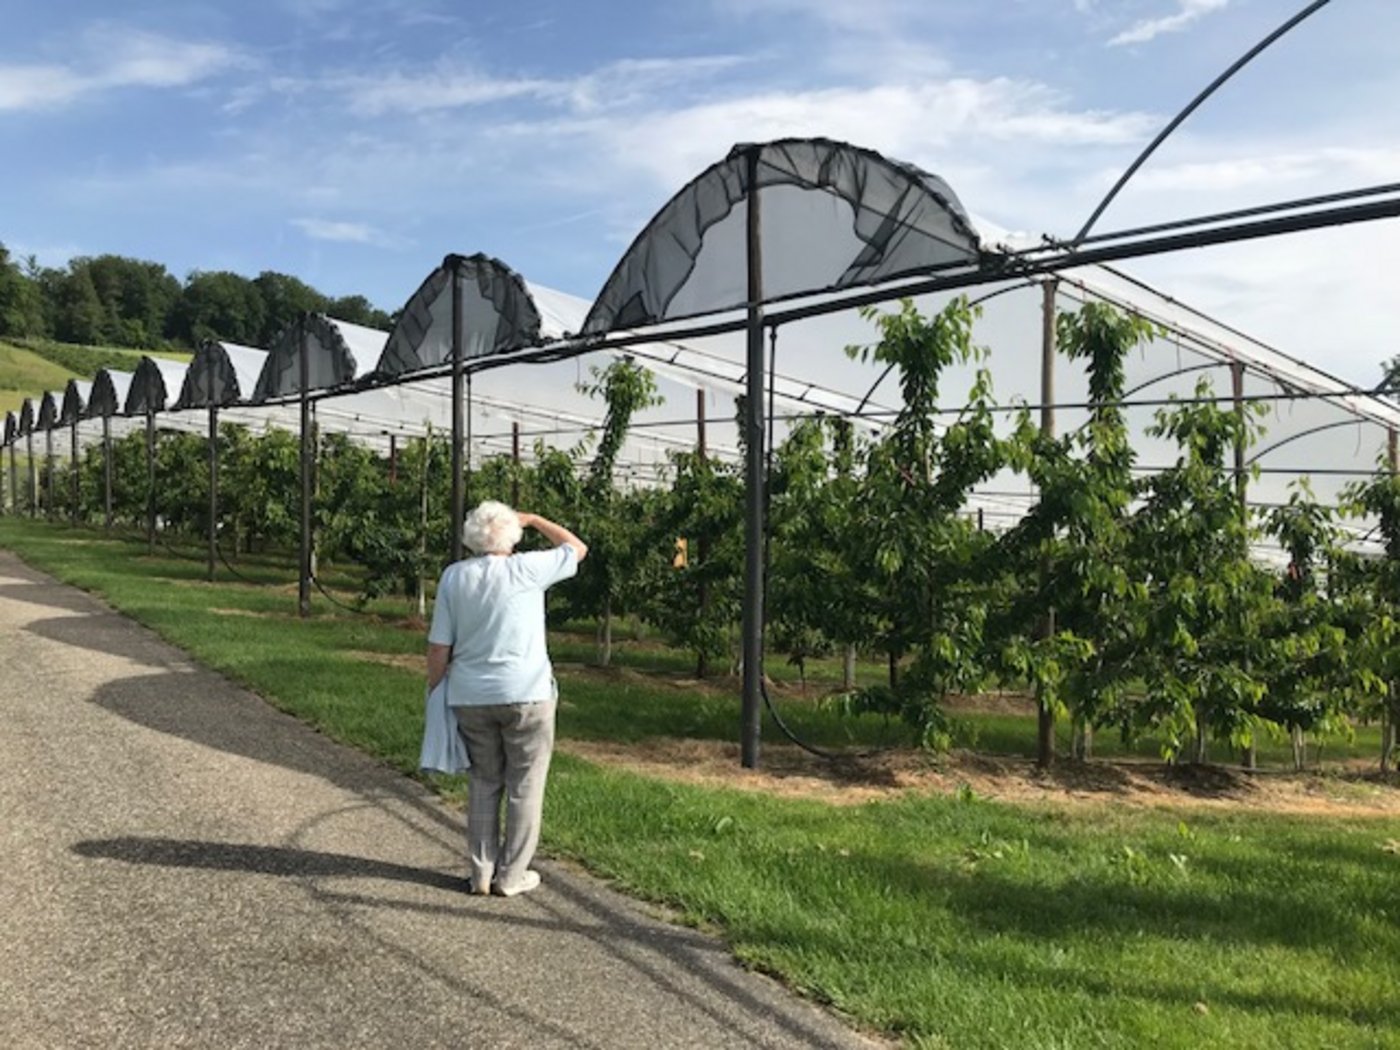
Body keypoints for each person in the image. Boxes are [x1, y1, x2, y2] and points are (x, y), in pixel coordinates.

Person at [426, 501, 587, 897]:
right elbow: (576, 547)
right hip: (527, 692)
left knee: (483, 781)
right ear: (512, 536)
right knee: (525, 784)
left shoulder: (454, 577)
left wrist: (436, 691)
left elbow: (438, 646)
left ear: (472, 536)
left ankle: (480, 873)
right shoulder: (528, 568)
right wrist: (533, 519)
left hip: (470, 694)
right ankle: (512, 876)